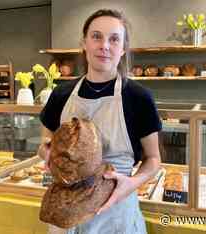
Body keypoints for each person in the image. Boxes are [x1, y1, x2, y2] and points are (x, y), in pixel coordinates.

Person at [38, 8, 162, 234]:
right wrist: (47, 152)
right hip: (64, 217)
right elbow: (44, 142)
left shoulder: (138, 97)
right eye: (96, 36)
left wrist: (132, 184)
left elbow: (153, 159)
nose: (104, 45)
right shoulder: (61, 94)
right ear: (84, 43)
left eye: (114, 39)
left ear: (123, 48)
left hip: (115, 216)